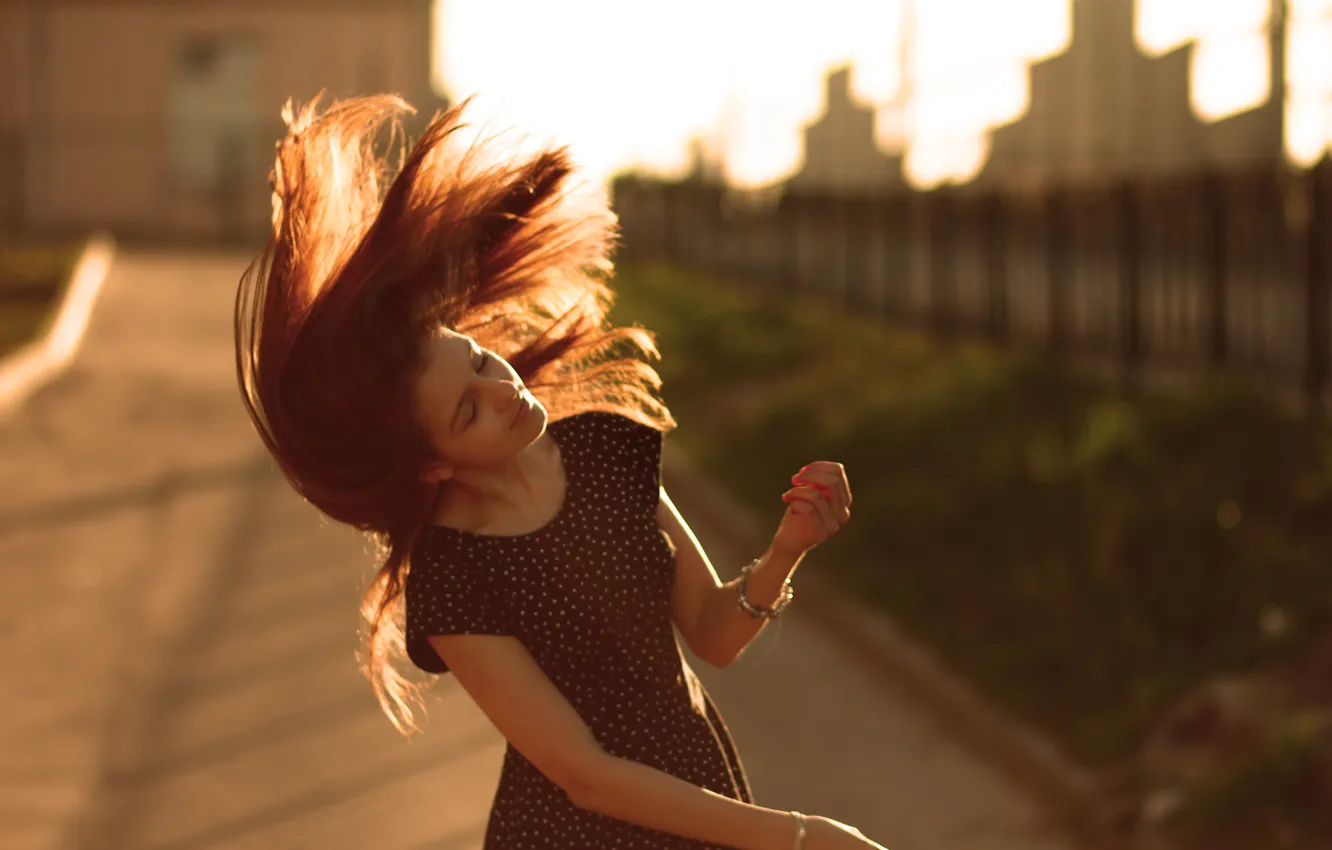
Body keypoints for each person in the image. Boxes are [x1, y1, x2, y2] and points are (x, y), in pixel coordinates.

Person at [233, 93, 883, 850]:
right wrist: (798, 836)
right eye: (468, 411)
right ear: (434, 464)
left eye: (481, 362)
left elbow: (712, 634)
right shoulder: (454, 577)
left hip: (705, 796)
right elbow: (585, 775)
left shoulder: (605, 447)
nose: (503, 390)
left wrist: (786, 550)